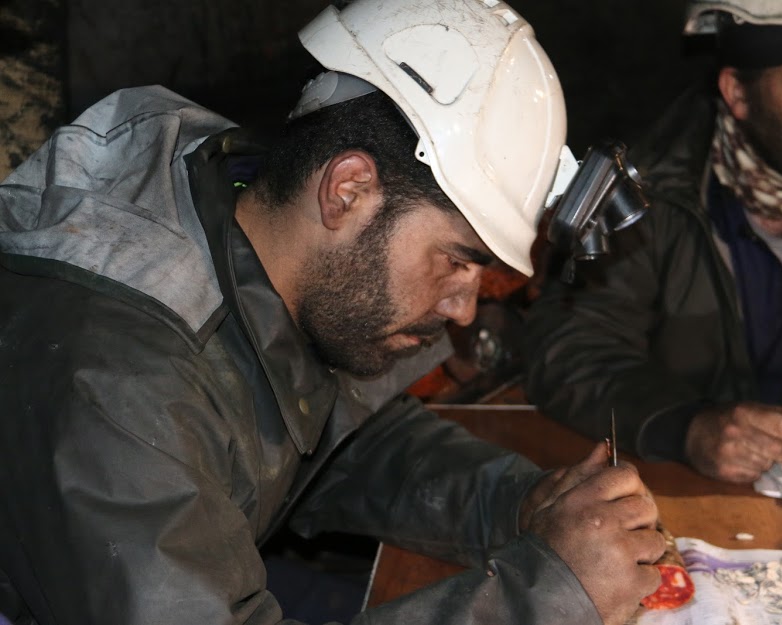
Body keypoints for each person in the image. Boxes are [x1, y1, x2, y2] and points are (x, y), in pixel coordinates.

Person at [0, 1, 668, 623]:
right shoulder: (116, 386)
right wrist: (544, 593)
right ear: (347, 190)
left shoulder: (251, 226)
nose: (465, 309)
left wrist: (519, 503)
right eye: (457, 259)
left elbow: (337, 441)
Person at [524, 0, 782, 485]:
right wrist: (686, 426)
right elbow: (569, 349)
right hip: (684, 499)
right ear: (738, 92)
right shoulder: (646, 196)